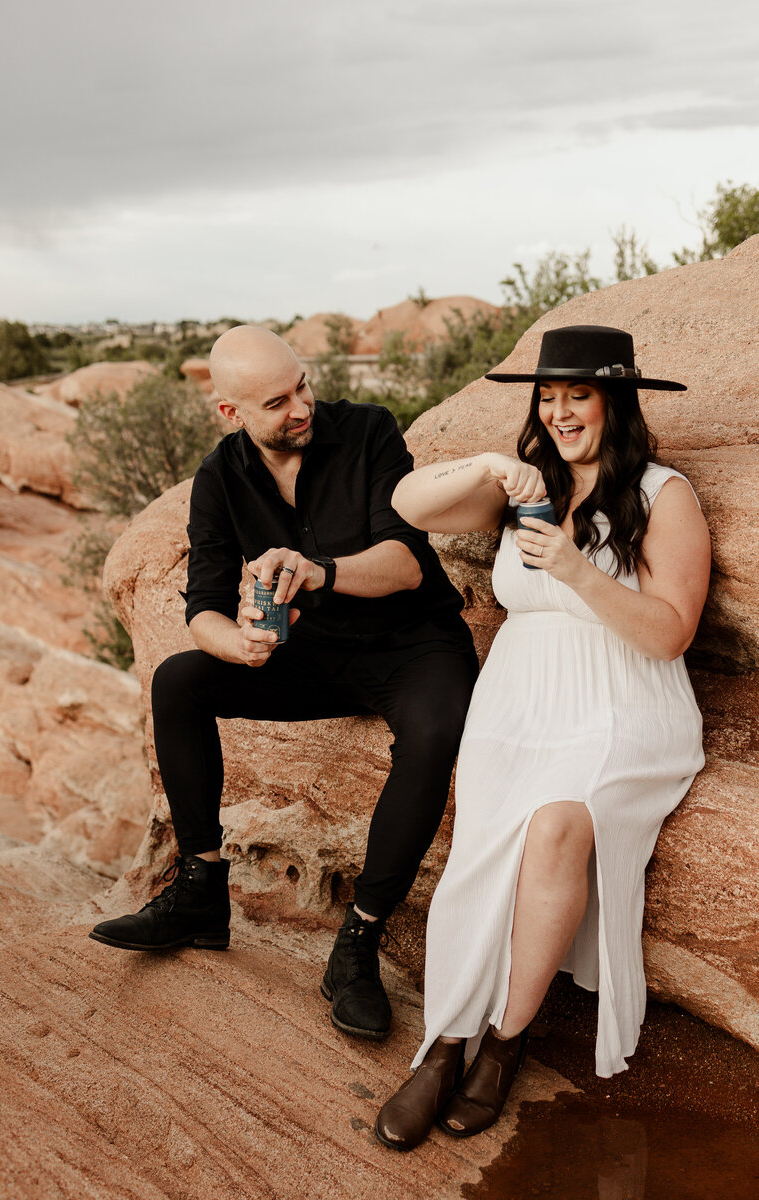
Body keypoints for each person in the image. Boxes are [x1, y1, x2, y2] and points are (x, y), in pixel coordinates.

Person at [90, 325, 478, 1041]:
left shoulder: (368, 433)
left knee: (436, 730)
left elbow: (405, 563)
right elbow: (202, 606)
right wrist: (237, 645)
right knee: (179, 681)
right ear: (230, 413)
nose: (302, 406)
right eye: (278, 400)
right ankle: (202, 892)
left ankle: (358, 939)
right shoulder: (220, 479)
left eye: (303, 385)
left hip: (413, 646)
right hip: (317, 654)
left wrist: (317, 568)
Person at [375, 324, 710, 1150]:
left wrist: (573, 569)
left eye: (579, 396)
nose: (560, 413)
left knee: (558, 825)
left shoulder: (665, 494)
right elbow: (406, 505)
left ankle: (503, 1040)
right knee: (482, 852)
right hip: (520, 697)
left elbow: (669, 633)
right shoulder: (527, 485)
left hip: (623, 703)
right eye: (548, 397)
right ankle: (444, 1041)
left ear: (616, 401)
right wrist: (493, 466)